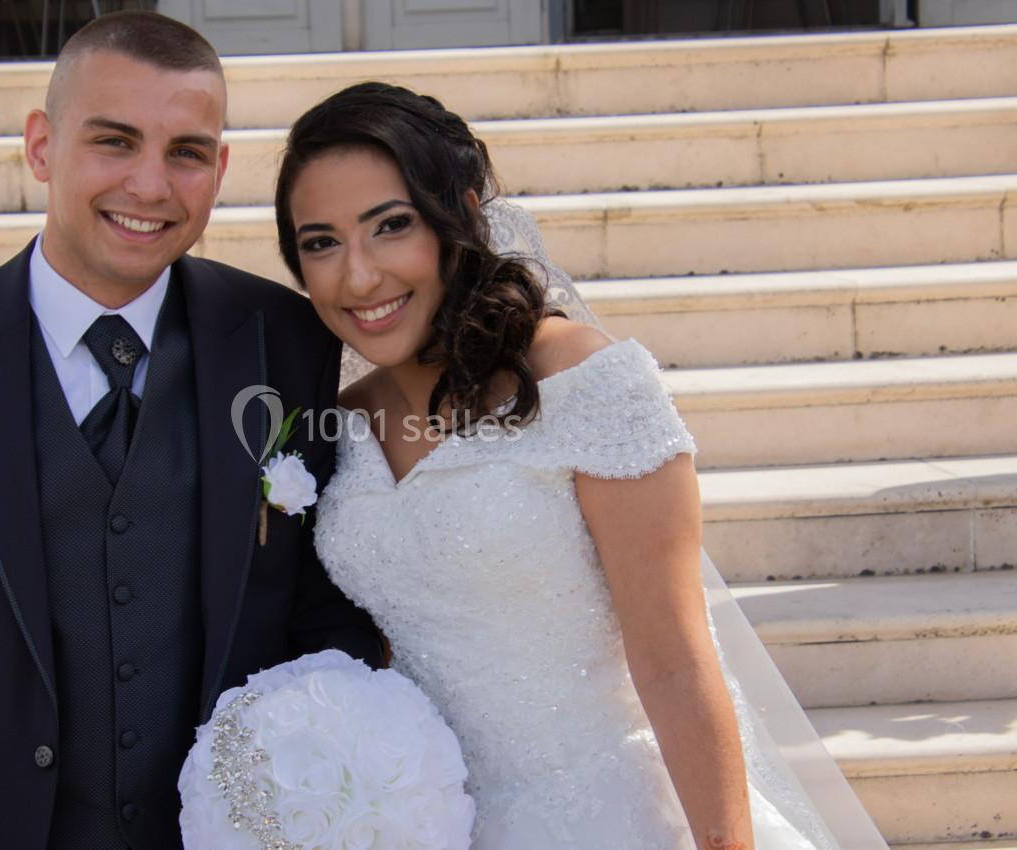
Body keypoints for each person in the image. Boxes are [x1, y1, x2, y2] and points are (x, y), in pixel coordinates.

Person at [0, 12, 380, 850]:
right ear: (41, 146)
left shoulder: (288, 342)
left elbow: (326, 620)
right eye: (115, 142)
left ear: (219, 169)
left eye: (186, 153)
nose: (150, 186)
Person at [273, 81, 841, 850]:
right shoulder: (338, 424)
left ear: (460, 214)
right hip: (439, 826)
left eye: (391, 226)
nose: (359, 277)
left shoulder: (585, 381)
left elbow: (674, 659)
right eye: (321, 242)